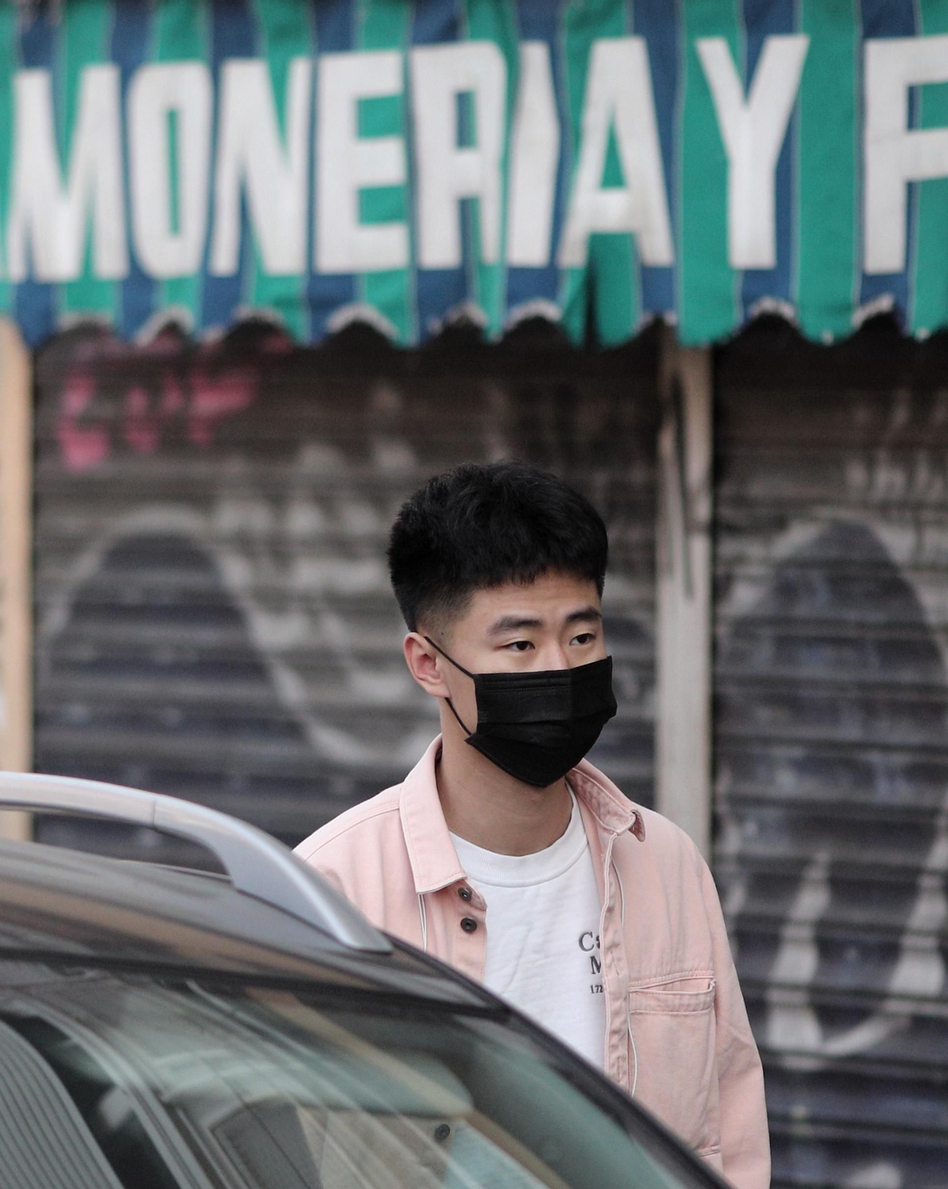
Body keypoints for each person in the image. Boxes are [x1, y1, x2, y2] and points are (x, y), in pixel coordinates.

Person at [295, 461, 769, 1189]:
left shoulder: (666, 865)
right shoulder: (333, 888)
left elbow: (731, 1133)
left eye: (582, 637)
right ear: (428, 663)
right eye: (520, 645)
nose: (561, 666)